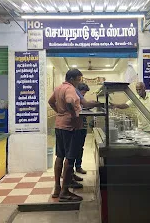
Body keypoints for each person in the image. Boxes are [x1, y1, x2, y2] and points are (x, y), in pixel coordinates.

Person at [48, 69, 83, 202]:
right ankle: (65, 191)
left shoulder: (59, 88)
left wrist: (60, 113)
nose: (79, 82)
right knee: (70, 158)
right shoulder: (70, 89)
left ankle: (57, 188)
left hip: (59, 125)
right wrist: (73, 115)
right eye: (79, 79)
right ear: (73, 79)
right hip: (70, 127)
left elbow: (51, 102)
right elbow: (69, 101)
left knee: (60, 156)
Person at [75, 83, 103, 174]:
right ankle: (69, 171)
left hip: (83, 126)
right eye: (83, 93)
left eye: (84, 94)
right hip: (75, 127)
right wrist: (94, 104)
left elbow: (84, 106)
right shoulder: (74, 98)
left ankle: (78, 166)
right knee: (73, 149)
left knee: (80, 147)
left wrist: (92, 104)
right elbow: (84, 106)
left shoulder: (81, 99)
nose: (83, 95)